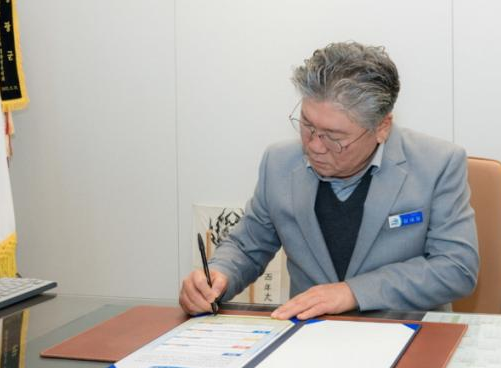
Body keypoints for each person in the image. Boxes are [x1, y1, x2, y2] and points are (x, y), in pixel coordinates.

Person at [179, 41, 479, 320]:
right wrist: (218, 275)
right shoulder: (279, 163)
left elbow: (456, 268)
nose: (314, 146)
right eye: (307, 125)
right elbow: (247, 246)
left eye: (334, 137)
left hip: (406, 335)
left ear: (382, 127)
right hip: (308, 337)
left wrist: (352, 292)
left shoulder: (437, 164)